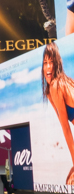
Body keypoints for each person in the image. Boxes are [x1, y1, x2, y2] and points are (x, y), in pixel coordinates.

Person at [42, 42, 74, 183]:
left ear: (57, 64)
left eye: (51, 62)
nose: (48, 67)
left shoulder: (56, 85)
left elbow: (66, 130)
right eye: (45, 63)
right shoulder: (60, 85)